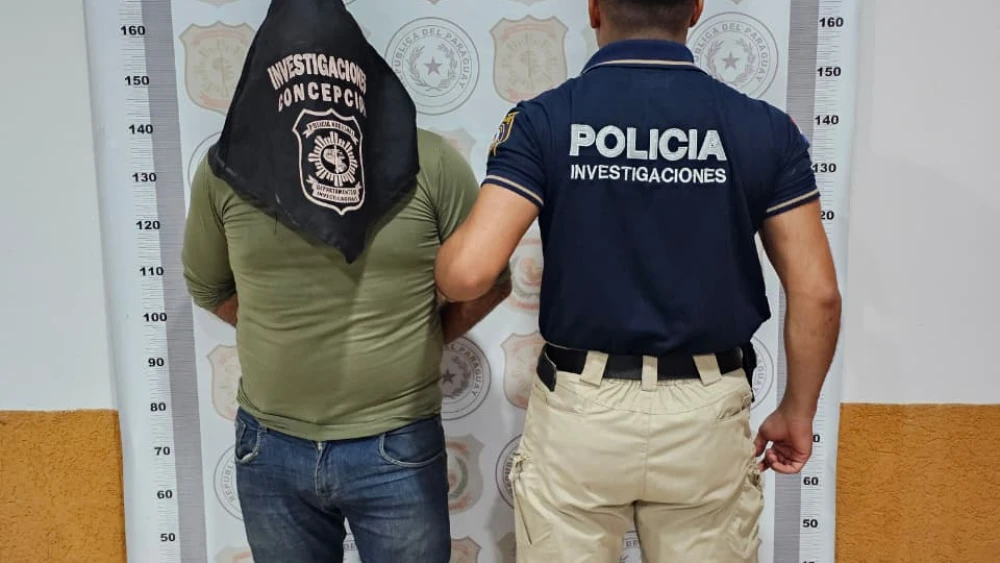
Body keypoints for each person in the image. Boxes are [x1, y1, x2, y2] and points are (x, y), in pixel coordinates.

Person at [434, 0, 842, 561]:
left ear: (594, 9)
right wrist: (798, 411)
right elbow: (818, 294)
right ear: (695, 9)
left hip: (582, 411)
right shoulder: (764, 129)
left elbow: (466, 275)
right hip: (705, 413)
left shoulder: (544, 120)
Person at [182, 2, 509, 561]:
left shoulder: (428, 162)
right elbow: (209, 288)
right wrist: (278, 329)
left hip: (396, 443)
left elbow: (491, 278)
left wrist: (423, 334)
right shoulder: (225, 174)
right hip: (271, 446)